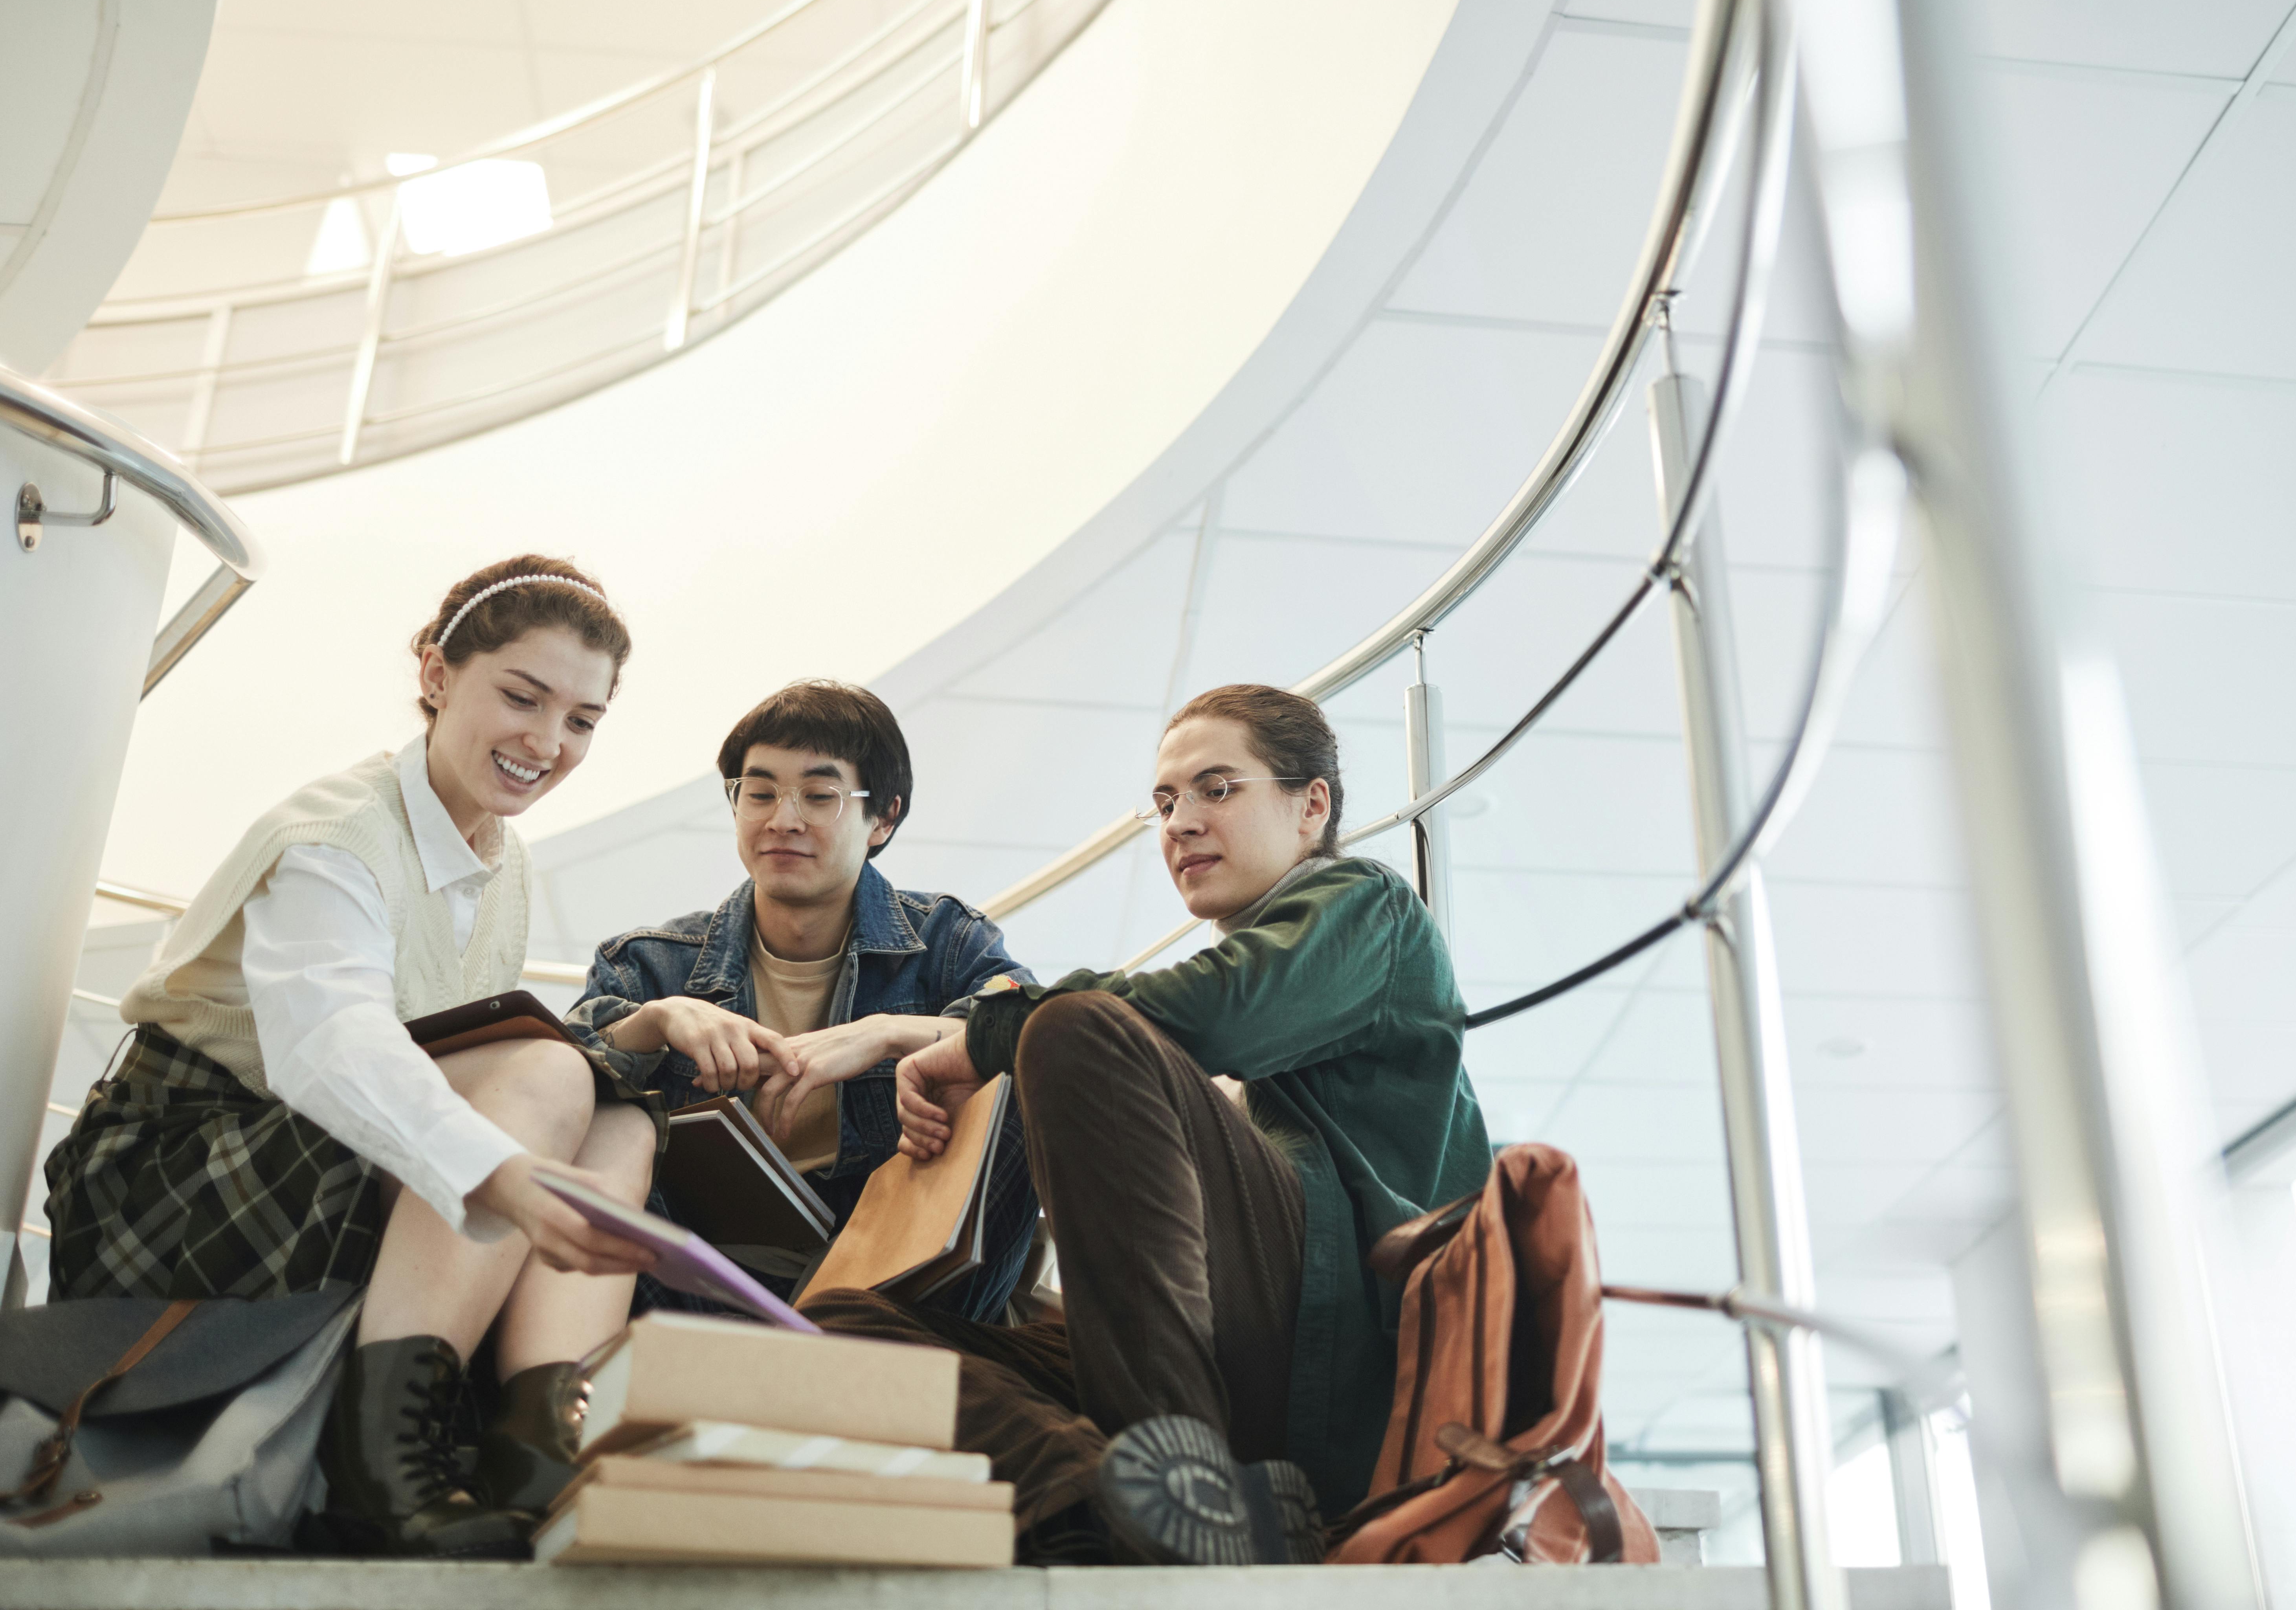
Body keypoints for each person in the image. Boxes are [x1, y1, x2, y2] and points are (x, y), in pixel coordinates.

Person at [42, 555, 657, 1559]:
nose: (548, 743)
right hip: (172, 1172)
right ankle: (385, 1463)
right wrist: (502, 1173)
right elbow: (334, 1049)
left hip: (305, 1158)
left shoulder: (501, 856)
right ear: (435, 673)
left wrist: (640, 1033)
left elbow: (460, 1050)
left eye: (582, 720)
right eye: (522, 695)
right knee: (549, 1077)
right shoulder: (335, 839)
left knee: (622, 1112)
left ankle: (541, 1445)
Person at [798, 683, 1493, 1566]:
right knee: (834, 1331)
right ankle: (1140, 1496)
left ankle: (1178, 1482)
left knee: (1075, 1025)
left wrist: (990, 1033)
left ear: (1310, 804)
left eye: (1216, 788)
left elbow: (1212, 1013)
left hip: (1340, 1346)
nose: (1180, 822)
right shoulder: (1269, 1010)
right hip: (1232, 1376)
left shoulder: (1369, 908)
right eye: (1165, 802)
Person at [566, 679, 1038, 1322]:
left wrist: (888, 1032)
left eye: (820, 796)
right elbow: (548, 1085)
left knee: (1025, 1087)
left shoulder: (947, 942)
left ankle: (837, 1364)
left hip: (896, 1282)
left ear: (885, 817)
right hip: (703, 1282)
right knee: (594, 1121)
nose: (782, 819)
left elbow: (1039, 1030)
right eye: (758, 793)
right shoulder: (650, 963)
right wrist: (655, 1022)